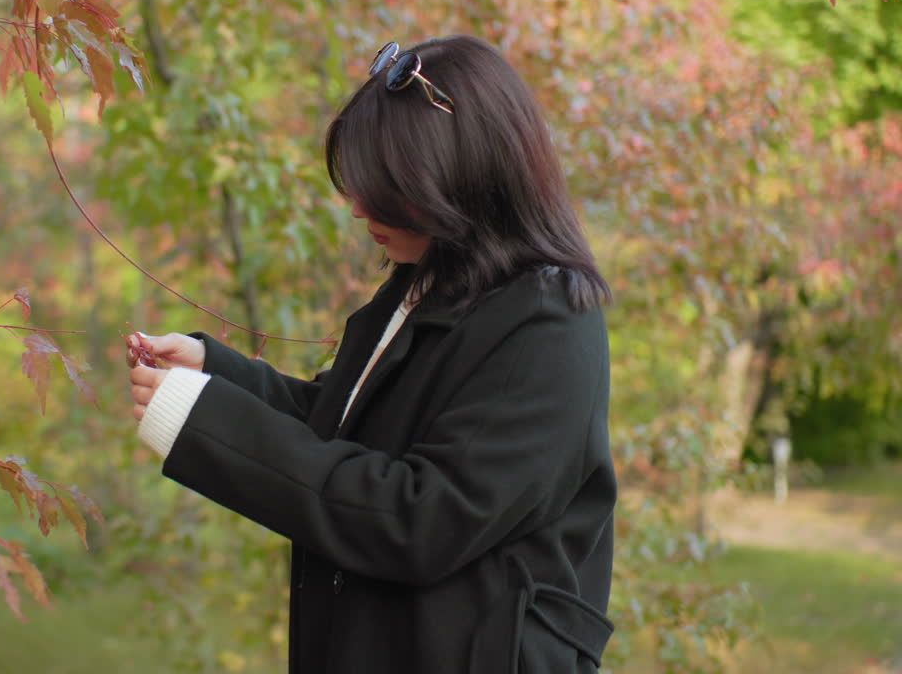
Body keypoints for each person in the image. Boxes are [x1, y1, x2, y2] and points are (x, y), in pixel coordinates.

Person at [127, 35, 616, 674]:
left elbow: (420, 519)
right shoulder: (429, 283)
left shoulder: (550, 324)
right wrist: (216, 373)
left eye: (387, 191)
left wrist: (205, 421)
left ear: (463, 176)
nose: (358, 208)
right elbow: (346, 426)